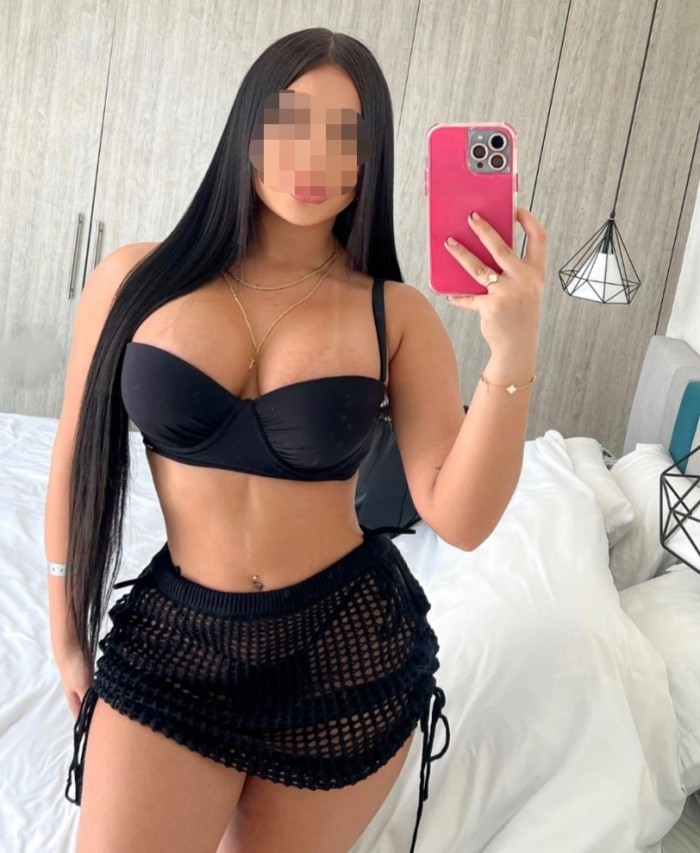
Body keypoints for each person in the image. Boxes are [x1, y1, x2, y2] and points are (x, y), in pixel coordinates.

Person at [45, 27, 547, 853]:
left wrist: (513, 354)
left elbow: (459, 518)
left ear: (370, 159)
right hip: (180, 641)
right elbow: (75, 454)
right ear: (248, 127)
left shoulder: (396, 313)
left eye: (345, 135)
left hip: (341, 651)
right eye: (291, 122)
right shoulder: (132, 280)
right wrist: (65, 628)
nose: (314, 156)